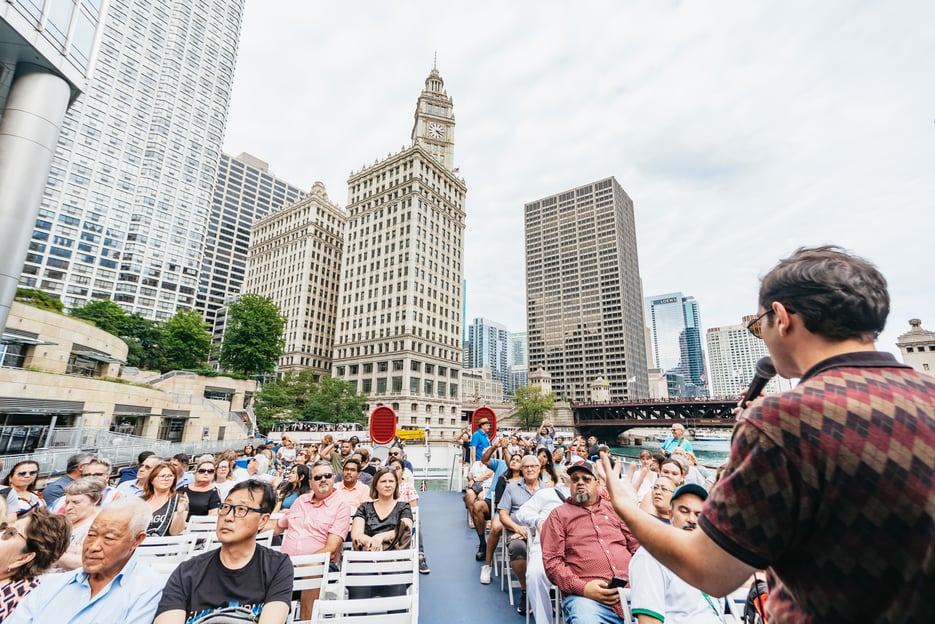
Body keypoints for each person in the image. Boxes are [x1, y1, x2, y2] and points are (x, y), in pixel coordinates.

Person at [600, 245, 935, 622]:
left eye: (759, 326)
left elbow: (712, 571)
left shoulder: (782, 419)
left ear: (781, 317)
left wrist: (625, 504)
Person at [154, 480, 294, 624]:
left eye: (241, 509)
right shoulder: (187, 572)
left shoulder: (276, 566)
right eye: (226, 507)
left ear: (262, 520)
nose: (228, 517)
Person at [6, 497, 164, 624]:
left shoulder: (148, 590)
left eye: (108, 538)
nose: (93, 546)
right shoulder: (54, 584)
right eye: (91, 535)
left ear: (137, 540)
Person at [541, 461, 640, 624]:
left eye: (586, 479)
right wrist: (584, 588)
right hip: (586, 599)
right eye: (575, 479)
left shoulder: (615, 510)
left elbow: (637, 547)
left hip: (633, 592)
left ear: (598, 484)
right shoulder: (558, 516)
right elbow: (552, 563)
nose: (580, 482)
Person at [629, 483, 723, 624]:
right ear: (670, 515)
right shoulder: (650, 558)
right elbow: (649, 621)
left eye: (699, 514)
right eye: (684, 511)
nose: (692, 519)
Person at [275, 461, 349, 619]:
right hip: (285, 563)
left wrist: (298, 563)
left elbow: (332, 548)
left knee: (313, 566)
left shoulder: (341, 506)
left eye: (327, 476)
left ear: (333, 478)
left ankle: (306, 620)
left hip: (320, 565)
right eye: (318, 477)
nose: (323, 479)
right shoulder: (301, 501)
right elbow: (278, 526)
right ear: (310, 482)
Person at [349, 468, 414, 598]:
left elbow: (406, 527)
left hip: (394, 559)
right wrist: (372, 541)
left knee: (395, 579)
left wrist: (381, 537)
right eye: (383, 481)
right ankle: (357, 616)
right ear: (376, 485)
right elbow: (356, 534)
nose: (388, 485)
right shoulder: (364, 507)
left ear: (396, 485)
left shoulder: (403, 506)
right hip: (367, 558)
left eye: (391, 481)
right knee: (358, 579)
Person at [515, 479, 570, 624]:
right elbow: (522, 512)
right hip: (546, 547)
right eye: (575, 476)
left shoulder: (592, 500)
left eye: (585, 477)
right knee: (534, 575)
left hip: (577, 549)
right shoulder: (547, 493)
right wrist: (538, 521)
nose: (580, 481)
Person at [0, 508, 70, 618]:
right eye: (4, 527)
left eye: (10, 533)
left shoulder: (22, 604)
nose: (1, 532)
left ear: (23, 558)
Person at [498, 454, 547, 613]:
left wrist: (533, 531)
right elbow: (503, 514)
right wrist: (517, 528)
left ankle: (549, 591)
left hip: (542, 534)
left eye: (533, 466)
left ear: (539, 469)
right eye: (526, 467)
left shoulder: (548, 490)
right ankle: (527, 591)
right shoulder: (512, 488)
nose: (530, 469)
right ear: (522, 469)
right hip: (519, 533)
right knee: (517, 548)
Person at [56, 477, 105, 571]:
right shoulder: (64, 520)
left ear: (96, 500)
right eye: (67, 502)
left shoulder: (101, 526)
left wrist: (48, 554)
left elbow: (89, 563)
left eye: (76, 502)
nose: (68, 508)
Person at [141, 462, 187, 536]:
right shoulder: (140, 501)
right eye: (162, 476)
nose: (166, 479)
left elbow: (174, 532)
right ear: (152, 480)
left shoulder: (179, 500)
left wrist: (180, 513)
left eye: (170, 476)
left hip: (164, 544)